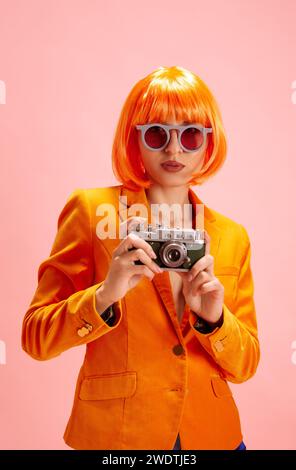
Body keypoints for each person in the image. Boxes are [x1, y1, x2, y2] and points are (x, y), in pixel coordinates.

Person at [22, 65, 259, 450]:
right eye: (156, 133)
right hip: (119, 437)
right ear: (135, 141)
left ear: (208, 143)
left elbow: (246, 364)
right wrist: (105, 295)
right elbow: (36, 337)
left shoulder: (232, 236)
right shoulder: (92, 211)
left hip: (215, 436)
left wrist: (215, 319)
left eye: (191, 134)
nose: (174, 149)